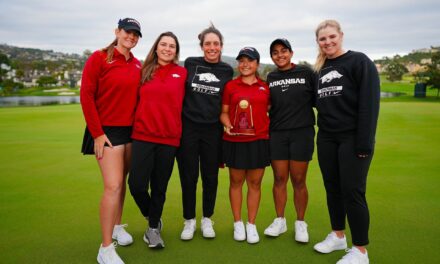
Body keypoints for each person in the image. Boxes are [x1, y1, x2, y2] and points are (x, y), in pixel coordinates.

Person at [312, 20, 380, 264]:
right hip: (327, 137)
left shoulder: (359, 62)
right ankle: (338, 235)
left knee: (352, 192)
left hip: (353, 138)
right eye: (322, 39)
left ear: (341, 36)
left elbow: (369, 105)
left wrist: (364, 143)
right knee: (333, 189)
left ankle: (360, 250)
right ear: (318, 42)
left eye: (332, 37)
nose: (328, 42)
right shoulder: (319, 69)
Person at [80, 18, 142, 264]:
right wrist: (97, 133)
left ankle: (117, 227)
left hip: (130, 132)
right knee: (113, 186)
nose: (132, 37)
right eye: (128, 32)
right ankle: (105, 248)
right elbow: (86, 95)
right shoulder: (99, 58)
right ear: (117, 32)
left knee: (122, 183)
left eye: (136, 34)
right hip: (106, 132)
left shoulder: (137, 64)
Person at [128, 31, 187, 249]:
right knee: (136, 185)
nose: (167, 49)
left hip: (169, 139)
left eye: (172, 46)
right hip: (143, 136)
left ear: (176, 51)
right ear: (156, 47)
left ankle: (153, 229)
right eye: (164, 44)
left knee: (159, 187)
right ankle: (152, 215)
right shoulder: (143, 71)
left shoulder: (182, 73)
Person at [176, 23, 234, 240]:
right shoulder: (191, 63)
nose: (212, 47)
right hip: (189, 128)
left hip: (213, 131)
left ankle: (207, 219)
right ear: (202, 46)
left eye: (216, 44)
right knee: (188, 177)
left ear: (221, 46)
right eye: (208, 43)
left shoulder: (227, 70)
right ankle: (189, 220)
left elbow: (227, 101)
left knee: (210, 177)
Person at [263, 38, 316, 243]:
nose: (280, 55)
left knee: (299, 180)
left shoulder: (306, 73)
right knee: (279, 179)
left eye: (283, 51)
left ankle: (301, 223)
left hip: (302, 133)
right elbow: (266, 105)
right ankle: (280, 220)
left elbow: (318, 100)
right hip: (277, 134)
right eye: (275, 52)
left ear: (291, 53)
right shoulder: (271, 77)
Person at [220, 47, 270, 244]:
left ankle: (251, 224)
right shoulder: (231, 86)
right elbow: (223, 112)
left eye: (249, 60)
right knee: (236, 182)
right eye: (241, 61)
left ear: (257, 64)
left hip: (259, 140)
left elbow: (268, 110)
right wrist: (227, 123)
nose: (245, 64)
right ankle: (238, 223)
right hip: (235, 140)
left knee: (255, 183)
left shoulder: (265, 87)